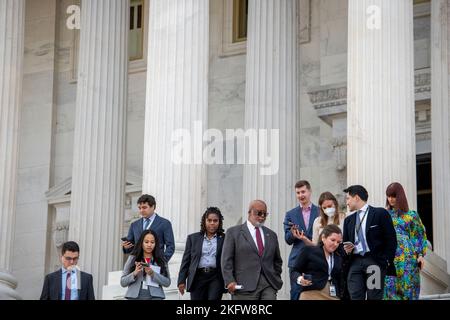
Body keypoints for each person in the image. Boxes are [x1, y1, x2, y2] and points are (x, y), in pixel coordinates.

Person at [342, 185, 397, 300]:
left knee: (374, 297)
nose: (346, 202)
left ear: (356, 197)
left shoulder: (380, 213)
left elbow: (391, 239)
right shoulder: (348, 220)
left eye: (348, 198)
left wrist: (386, 260)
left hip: (374, 261)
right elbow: (345, 243)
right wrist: (347, 251)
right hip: (355, 263)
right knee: (355, 296)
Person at [221, 200, 283, 300]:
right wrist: (229, 281)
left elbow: (277, 260)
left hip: (268, 285)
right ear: (250, 212)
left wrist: (276, 277)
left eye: (264, 214)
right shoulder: (233, 232)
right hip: (244, 286)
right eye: (259, 213)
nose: (262, 216)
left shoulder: (271, 235)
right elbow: (226, 260)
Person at [383, 182, 428, 300]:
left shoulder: (411, 215)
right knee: (389, 290)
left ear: (400, 196)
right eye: (388, 196)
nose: (391, 199)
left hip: (407, 259)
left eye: (393, 196)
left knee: (409, 289)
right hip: (389, 258)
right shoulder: (383, 215)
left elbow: (418, 236)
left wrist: (420, 255)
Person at [178, 207, 226, 300]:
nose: (212, 223)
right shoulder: (193, 238)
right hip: (197, 277)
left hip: (216, 277)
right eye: (209, 220)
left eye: (215, 220)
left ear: (219, 222)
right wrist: (181, 280)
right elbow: (186, 261)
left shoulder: (225, 239)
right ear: (204, 221)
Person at [283, 180, 319, 300]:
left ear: (309, 192)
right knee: (296, 294)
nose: (300, 195)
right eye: (298, 193)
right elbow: (287, 239)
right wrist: (293, 234)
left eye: (303, 192)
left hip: (316, 260)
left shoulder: (320, 212)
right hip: (297, 261)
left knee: (315, 294)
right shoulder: (290, 214)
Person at [292, 224, 344, 300]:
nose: (335, 244)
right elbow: (294, 270)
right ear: (323, 238)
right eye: (333, 240)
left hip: (333, 295)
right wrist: (300, 279)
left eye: (338, 242)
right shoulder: (309, 251)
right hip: (311, 293)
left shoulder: (338, 257)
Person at [122, 194, 175, 262]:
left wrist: (162, 262)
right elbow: (130, 249)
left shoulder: (165, 223)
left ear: (153, 206)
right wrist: (126, 247)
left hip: (156, 265)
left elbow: (170, 246)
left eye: (144, 207)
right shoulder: (134, 225)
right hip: (138, 265)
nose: (141, 210)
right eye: (139, 208)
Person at [120, 229, 171, 300]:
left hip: (155, 297)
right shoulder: (132, 258)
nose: (149, 245)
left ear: (156, 244)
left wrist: (153, 273)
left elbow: (167, 282)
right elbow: (123, 282)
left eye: (152, 242)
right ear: (141, 243)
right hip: (134, 297)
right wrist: (135, 273)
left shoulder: (161, 259)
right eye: (146, 242)